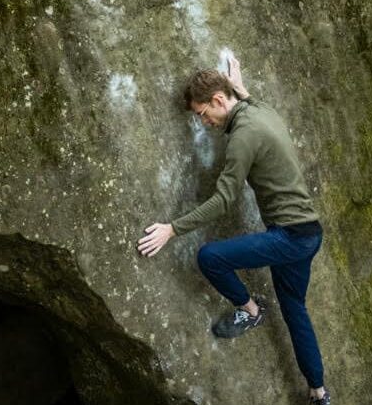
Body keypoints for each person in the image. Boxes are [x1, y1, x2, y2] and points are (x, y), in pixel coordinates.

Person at [137, 56, 330, 405]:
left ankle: (251, 311)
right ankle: (318, 392)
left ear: (218, 101)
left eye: (202, 113)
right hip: (308, 233)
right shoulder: (260, 110)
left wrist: (172, 229)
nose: (204, 122)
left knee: (210, 257)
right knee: (293, 308)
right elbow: (248, 99)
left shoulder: (243, 136)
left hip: (289, 237)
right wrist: (237, 85)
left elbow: (224, 200)